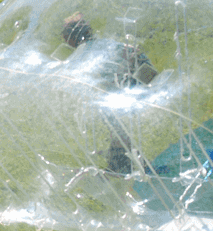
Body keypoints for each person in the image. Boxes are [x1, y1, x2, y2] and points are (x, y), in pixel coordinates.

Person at [62, 12, 157, 173]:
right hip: (133, 83)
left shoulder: (84, 54)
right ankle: (132, 165)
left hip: (120, 90)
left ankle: (123, 168)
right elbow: (135, 53)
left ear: (70, 38)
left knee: (119, 131)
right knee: (119, 131)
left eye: (63, 35)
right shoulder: (101, 43)